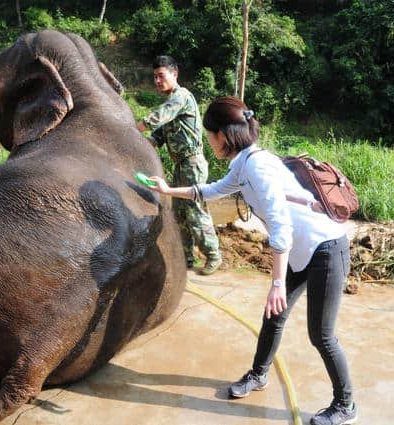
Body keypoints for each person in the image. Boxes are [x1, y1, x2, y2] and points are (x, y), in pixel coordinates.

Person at [145, 97, 357, 425]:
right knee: (274, 317)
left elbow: (281, 224)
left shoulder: (258, 165)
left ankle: (345, 405)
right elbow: (212, 190)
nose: (208, 141)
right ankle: (259, 375)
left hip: (325, 248)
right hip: (302, 251)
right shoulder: (243, 165)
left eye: (210, 134)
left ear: (223, 135)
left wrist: (276, 283)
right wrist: (169, 190)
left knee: (322, 334)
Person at [137, 55, 222, 275]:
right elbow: (158, 136)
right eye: (155, 76)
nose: (157, 80)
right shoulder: (171, 105)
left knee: (194, 209)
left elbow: (156, 119)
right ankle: (186, 257)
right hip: (181, 165)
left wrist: (134, 128)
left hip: (192, 163)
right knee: (179, 213)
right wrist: (141, 144)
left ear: (174, 75)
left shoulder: (180, 97)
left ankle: (213, 255)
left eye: (161, 76)